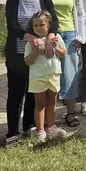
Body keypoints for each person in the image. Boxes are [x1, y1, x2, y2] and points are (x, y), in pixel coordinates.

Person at [4, 0, 59, 147]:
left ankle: (30, 125)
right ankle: (12, 132)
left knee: (34, 92)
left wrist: (50, 36)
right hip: (18, 54)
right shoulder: (13, 2)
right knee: (15, 94)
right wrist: (33, 39)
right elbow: (12, 27)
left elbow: (54, 22)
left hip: (40, 58)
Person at [37, 0, 86, 127]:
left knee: (70, 73)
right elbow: (39, 14)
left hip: (70, 34)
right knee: (50, 72)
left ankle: (70, 112)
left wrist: (81, 37)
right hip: (51, 35)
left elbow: (80, 14)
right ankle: (48, 115)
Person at [23, 11, 68, 142]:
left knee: (52, 103)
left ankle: (51, 127)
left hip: (53, 74)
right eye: (35, 26)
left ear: (49, 25)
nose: (38, 28)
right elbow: (27, 61)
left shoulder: (56, 38)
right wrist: (36, 52)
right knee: (40, 104)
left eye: (42, 25)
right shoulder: (32, 42)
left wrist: (55, 48)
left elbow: (63, 53)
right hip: (38, 77)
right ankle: (40, 130)